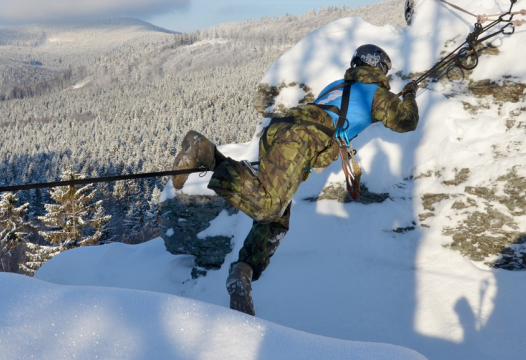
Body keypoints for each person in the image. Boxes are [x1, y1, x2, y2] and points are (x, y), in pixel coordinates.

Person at [171, 44, 419, 316]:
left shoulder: (339, 85)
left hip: (283, 129)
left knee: (276, 220)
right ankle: (205, 153)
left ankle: (244, 270)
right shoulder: (374, 93)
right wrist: (408, 95)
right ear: (381, 68)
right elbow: (406, 120)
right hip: (303, 137)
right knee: (267, 205)